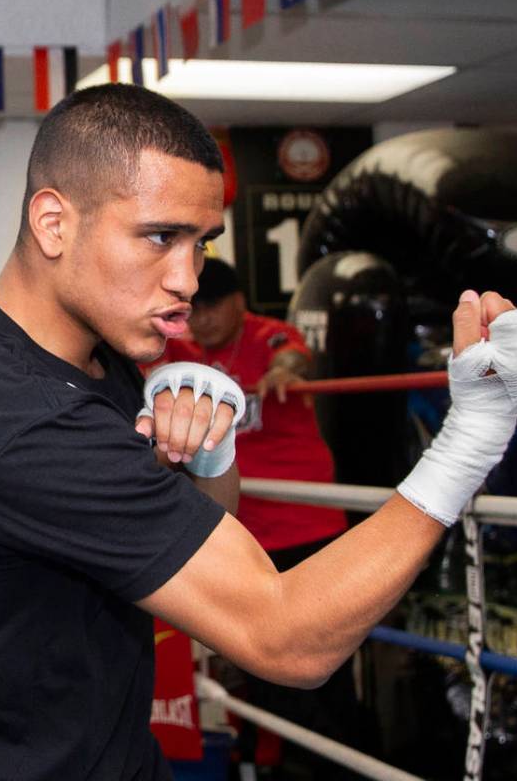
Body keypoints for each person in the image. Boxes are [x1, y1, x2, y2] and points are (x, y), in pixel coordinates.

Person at [0, 83, 517, 781]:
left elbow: (202, 538)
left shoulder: (66, 341)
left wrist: (209, 454)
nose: (186, 278)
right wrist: (473, 433)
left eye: (200, 241)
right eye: (158, 236)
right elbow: (288, 644)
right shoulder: (20, 418)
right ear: (54, 222)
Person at [149, 257, 359, 779]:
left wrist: (285, 374)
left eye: (214, 308)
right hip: (241, 534)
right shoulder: (183, 351)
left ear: (239, 303)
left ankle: (338, 766)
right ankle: (277, 763)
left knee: (320, 669)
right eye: (195, 310)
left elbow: (293, 356)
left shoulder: (269, 336)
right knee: (261, 665)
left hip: (307, 527)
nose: (203, 321)